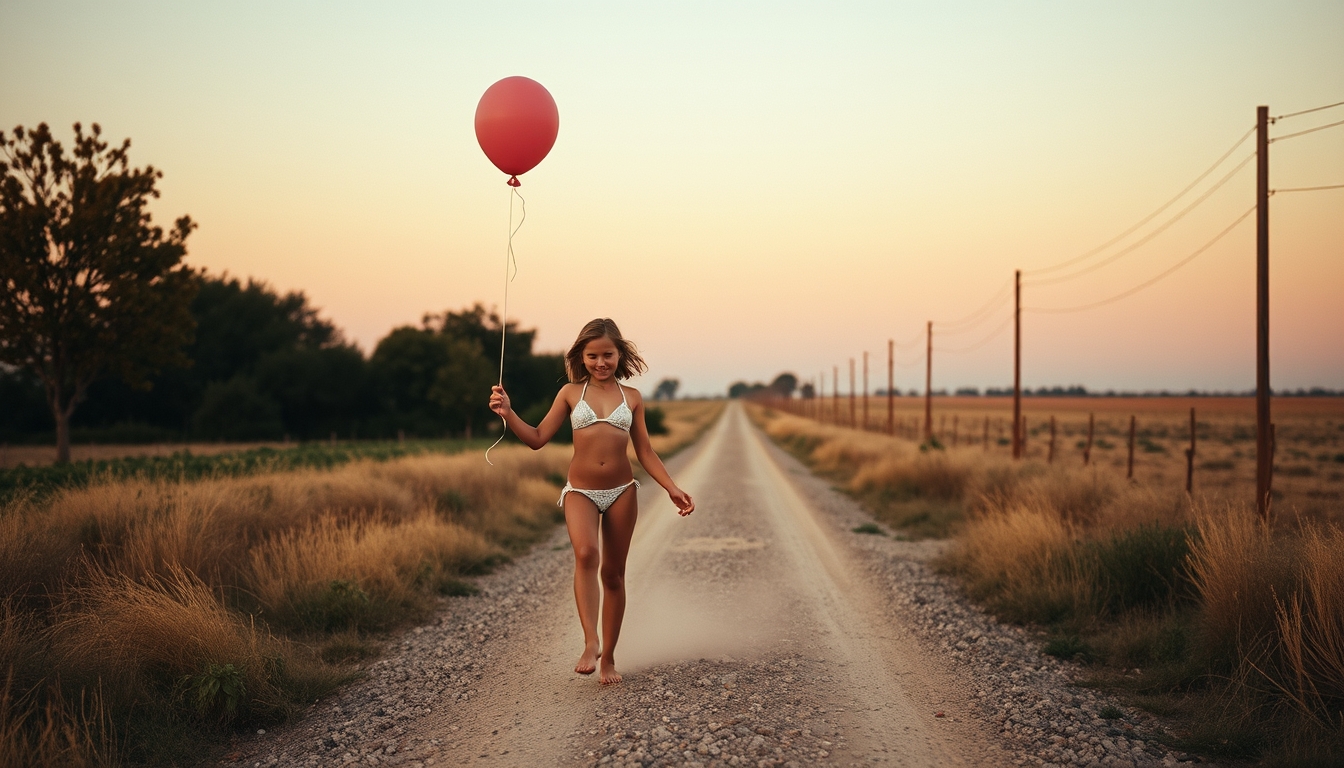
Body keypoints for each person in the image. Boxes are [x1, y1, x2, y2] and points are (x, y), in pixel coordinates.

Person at [488, 318, 695, 685]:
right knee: (586, 554)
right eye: (593, 356)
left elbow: (644, 451)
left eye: (608, 355)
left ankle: (609, 659)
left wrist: (671, 487)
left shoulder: (632, 398)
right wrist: (508, 413)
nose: (601, 363)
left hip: (621, 492)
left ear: (620, 355)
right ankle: (590, 642)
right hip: (580, 491)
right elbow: (536, 438)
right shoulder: (570, 393)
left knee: (613, 575)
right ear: (581, 357)